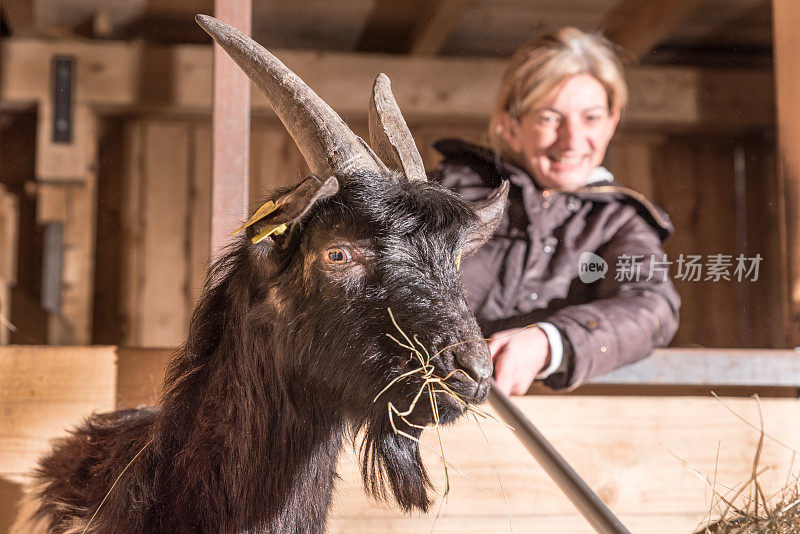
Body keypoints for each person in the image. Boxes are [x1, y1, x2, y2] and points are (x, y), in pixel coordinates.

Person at [430, 27, 680, 394]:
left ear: (612, 122)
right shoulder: (447, 197)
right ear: (511, 126)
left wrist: (551, 341)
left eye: (591, 117)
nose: (573, 140)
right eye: (549, 117)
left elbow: (653, 308)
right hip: (422, 413)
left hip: (548, 426)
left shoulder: (618, 222)